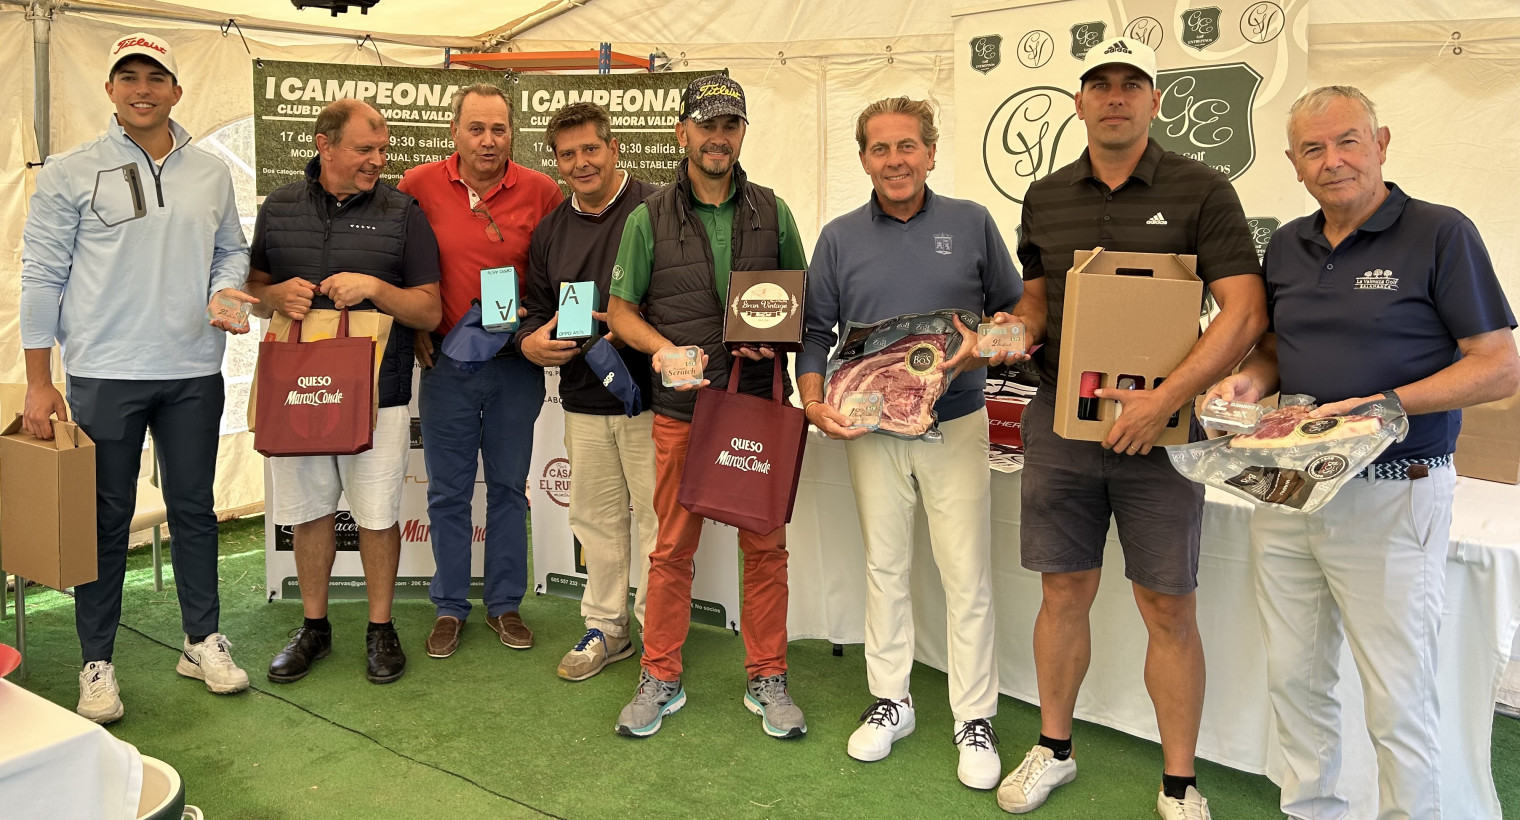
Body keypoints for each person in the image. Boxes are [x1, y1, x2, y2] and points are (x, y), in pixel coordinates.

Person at [1205, 86, 1519, 819]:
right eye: (1313, 149)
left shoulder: (1442, 233)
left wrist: (1387, 405)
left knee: (1397, 691)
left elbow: (1499, 364)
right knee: (1294, 676)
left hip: (1392, 488)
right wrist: (1249, 382)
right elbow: (1280, 347)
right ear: (1292, 163)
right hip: (1289, 488)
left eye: (1348, 141)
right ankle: (1310, 808)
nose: (1332, 160)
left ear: (1382, 143)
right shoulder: (1287, 243)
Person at [995, 37, 1267, 818]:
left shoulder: (1203, 189)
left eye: (1131, 84)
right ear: (1079, 103)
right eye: (1099, 85)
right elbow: (1038, 304)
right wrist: (1011, 331)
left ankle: (1180, 783)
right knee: (1062, 592)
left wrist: (1163, 401)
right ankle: (1054, 749)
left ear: (1155, 101)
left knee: (1169, 606)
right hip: (1063, 428)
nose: (1115, 97)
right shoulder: (1045, 195)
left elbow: (1244, 312)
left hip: (1166, 437)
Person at [20, 32, 253, 723]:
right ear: (111, 90)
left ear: (178, 91)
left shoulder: (209, 173)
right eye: (129, 77)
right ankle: (98, 663)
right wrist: (39, 380)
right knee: (105, 522)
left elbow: (231, 252)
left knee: (194, 511)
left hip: (192, 370)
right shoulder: (69, 171)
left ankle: (200, 640)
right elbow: (40, 276)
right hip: (103, 372)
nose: (143, 88)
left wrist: (223, 290)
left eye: (156, 77)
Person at [797, 97, 1021, 789]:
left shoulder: (972, 223)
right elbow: (814, 335)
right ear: (863, 158)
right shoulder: (837, 237)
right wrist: (811, 401)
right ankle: (892, 701)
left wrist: (990, 344)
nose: (894, 160)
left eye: (907, 146)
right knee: (885, 568)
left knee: (966, 575)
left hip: (954, 420)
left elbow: (1011, 316)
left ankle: (972, 716)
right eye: (880, 149)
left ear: (929, 151)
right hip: (869, 427)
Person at [606, 74, 810, 739]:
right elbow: (619, 311)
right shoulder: (647, 218)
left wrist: (772, 344)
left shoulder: (774, 212)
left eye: (730, 126)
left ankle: (767, 675)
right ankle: (660, 674)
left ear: (742, 133)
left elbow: (798, 305)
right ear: (682, 133)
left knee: (767, 546)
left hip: (755, 408)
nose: (718, 138)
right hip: (681, 412)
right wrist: (662, 350)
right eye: (707, 125)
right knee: (670, 551)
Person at [247, 99, 442, 685]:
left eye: (382, 150)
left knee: (379, 516)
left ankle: (380, 629)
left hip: (379, 393)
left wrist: (377, 288)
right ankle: (315, 626)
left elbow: (429, 310)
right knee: (309, 514)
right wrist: (275, 296)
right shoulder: (278, 207)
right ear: (323, 144)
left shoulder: (404, 211)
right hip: (299, 389)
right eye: (365, 149)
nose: (378, 161)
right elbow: (253, 290)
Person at [398, 84, 563, 659]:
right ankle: (448, 607)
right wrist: (414, 324)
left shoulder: (542, 191)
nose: (488, 141)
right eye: (476, 129)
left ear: (511, 133)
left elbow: (557, 270)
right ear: (455, 133)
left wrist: (542, 325)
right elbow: (402, 264)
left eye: (498, 129)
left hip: (516, 365)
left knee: (509, 489)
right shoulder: (418, 185)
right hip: (446, 363)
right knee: (446, 491)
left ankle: (505, 605)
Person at [515, 103, 660, 681]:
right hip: (581, 397)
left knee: (656, 521)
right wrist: (531, 343)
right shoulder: (551, 229)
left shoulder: (657, 207)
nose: (581, 163)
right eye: (568, 154)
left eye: (590, 150)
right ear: (557, 162)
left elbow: (687, 295)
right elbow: (534, 309)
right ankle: (606, 627)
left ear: (614, 148)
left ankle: (660, 634)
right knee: (596, 521)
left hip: (651, 398)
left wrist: (632, 322)